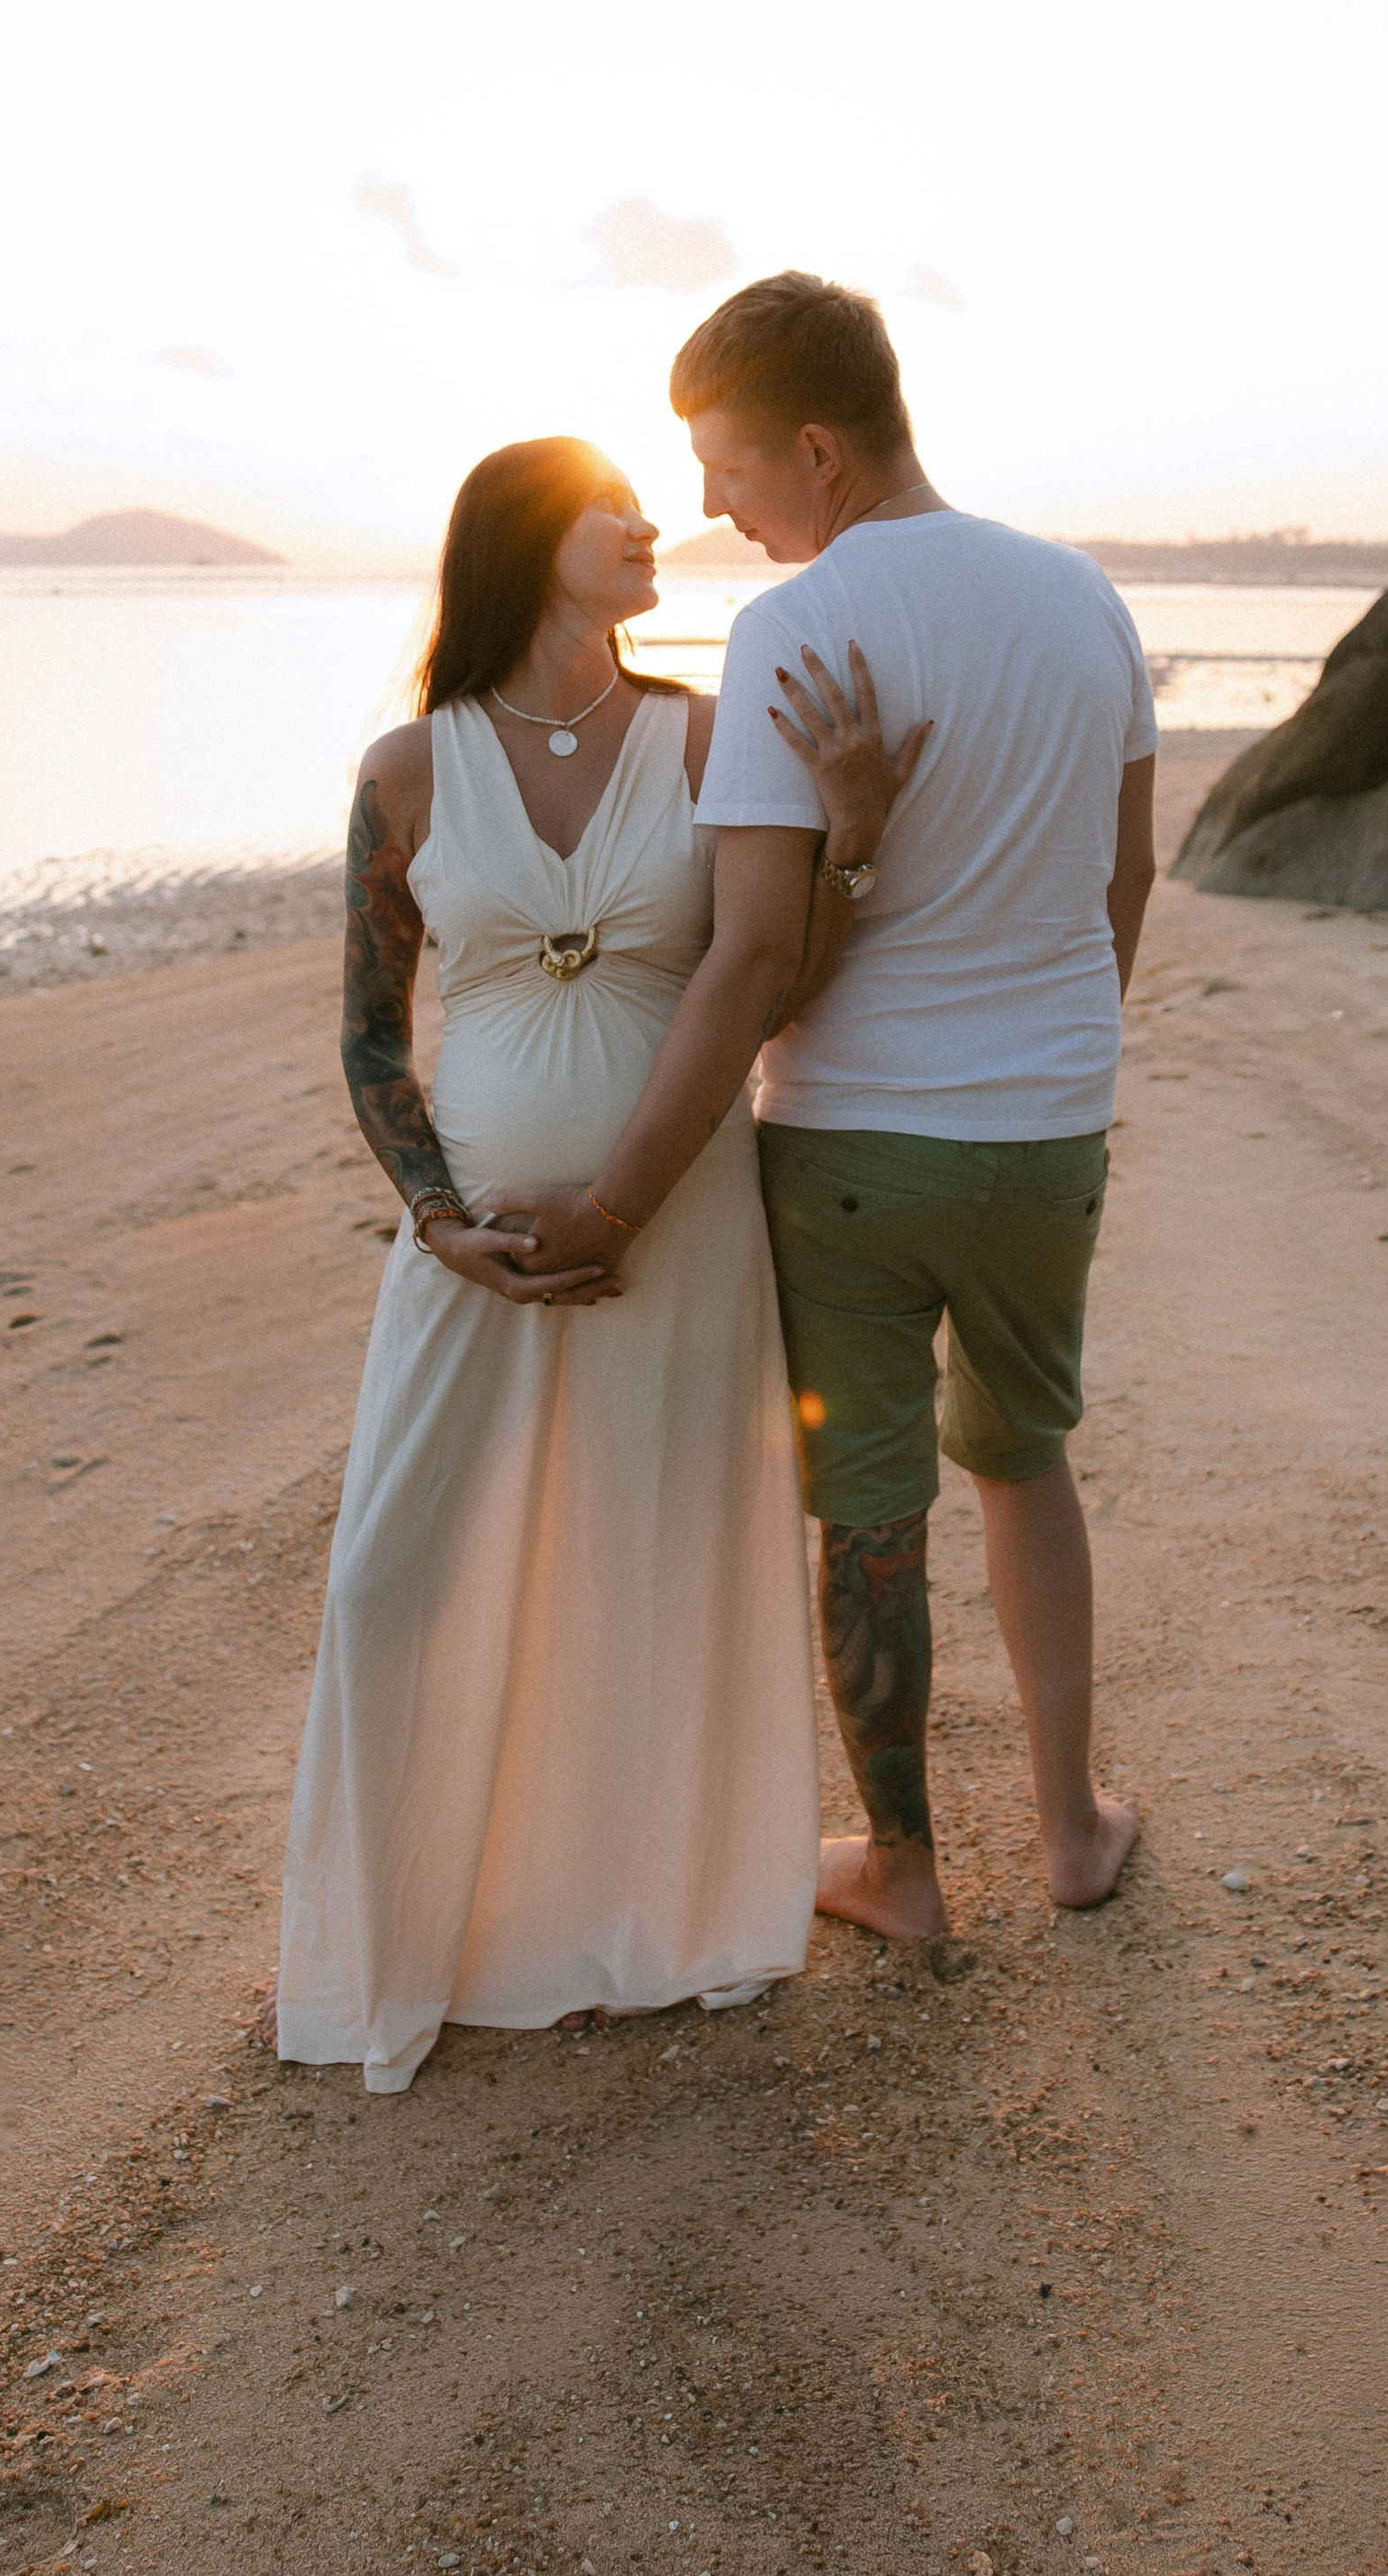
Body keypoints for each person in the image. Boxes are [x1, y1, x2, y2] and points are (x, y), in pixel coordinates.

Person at [267, 434, 923, 2091]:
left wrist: (851, 834)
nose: (650, 523)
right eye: (608, 501)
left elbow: (773, 976)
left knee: (655, 1567)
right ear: (519, 541)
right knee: (391, 1576)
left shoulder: (717, 738)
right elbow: (364, 1041)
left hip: (685, 1225)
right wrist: (437, 1221)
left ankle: (653, 1919)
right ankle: (403, 1940)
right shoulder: (405, 771)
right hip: (470, 1250)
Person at [506, 276, 1158, 1940]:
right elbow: (1126, 877)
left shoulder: (800, 631)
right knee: (1026, 1459)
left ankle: (910, 1872)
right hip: (1047, 1130)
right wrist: (1058, 1055)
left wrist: (619, 1203)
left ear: (815, 444)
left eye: (727, 469)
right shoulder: (1085, 600)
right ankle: (1073, 1833)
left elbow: (749, 964)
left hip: (857, 1137)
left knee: (870, 1504)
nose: (713, 511)